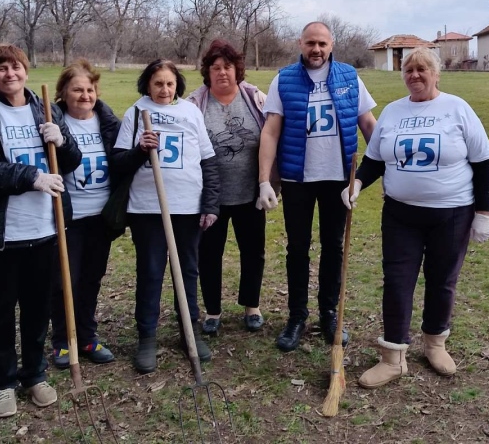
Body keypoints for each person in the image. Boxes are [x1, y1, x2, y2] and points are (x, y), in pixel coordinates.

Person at [341, 46, 489, 386]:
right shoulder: (393, 112)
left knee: (442, 280)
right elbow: (375, 159)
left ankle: (435, 343)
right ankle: (393, 357)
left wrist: (483, 213)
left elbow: (484, 164)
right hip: (400, 214)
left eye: (422, 69)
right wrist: (358, 183)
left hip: (451, 214)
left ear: (436, 74)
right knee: (397, 281)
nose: (414, 75)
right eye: (409, 70)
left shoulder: (458, 109)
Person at [0, 43, 81, 418]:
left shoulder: (47, 109)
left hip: (45, 228)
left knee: (38, 309)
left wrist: (63, 141)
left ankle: (35, 374)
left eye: (16, 66)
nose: (10, 74)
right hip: (0, 233)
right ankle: (3, 382)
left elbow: (71, 162)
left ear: (26, 70)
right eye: (1, 68)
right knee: (0, 311)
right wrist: (30, 177)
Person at [257, 21, 377, 352]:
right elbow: (270, 131)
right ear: (300, 44)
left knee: (333, 247)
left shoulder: (349, 77)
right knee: (297, 248)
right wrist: (265, 180)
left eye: (322, 43)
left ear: (331, 44)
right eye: (311, 43)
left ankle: (329, 313)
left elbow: (369, 124)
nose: (316, 49)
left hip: (338, 179)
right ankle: (297, 316)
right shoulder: (284, 79)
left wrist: (384, 166)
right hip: (298, 179)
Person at [112, 59, 220, 374]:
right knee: (150, 271)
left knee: (187, 271)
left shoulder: (191, 112)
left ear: (177, 85)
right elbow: (117, 162)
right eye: (158, 83)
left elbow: (208, 161)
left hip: (187, 207)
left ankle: (190, 331)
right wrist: (139, 150)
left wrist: (210, 204)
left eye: (170, 83)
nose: (164, 89)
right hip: (148, 209)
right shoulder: (136, 112)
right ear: (147, 84)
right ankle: (147, 337)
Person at [187, 40, 275, 335]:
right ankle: (213, 311)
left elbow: (274, 135)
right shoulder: (194, 104)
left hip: (251, 193)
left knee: (253, 251)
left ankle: (252, 306)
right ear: (207, 71)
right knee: (209, 254)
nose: (222, 72)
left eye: (227, 66)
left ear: (237, 69)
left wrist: (269, 182)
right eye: (216, 67)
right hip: (210, 197)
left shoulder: (256, 99)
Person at [49, 59, 120, 369]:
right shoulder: (55, 123)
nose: (85, 95)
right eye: (77, 90)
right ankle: (63, 340)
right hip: (69, 216)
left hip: (101, 216)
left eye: (90, 90)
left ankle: (88, 336)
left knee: (92, 277)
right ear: (63, 92)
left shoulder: (108, 123)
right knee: (65, 280)